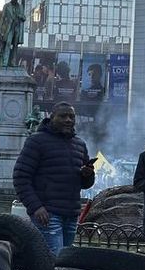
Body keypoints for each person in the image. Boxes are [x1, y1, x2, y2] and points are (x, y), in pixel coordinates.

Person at [13, 102, 96, 255]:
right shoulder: (36, 141)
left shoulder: (79, 144)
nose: (68, 120)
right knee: (54, 259)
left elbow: (85, 184)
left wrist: (88, 174)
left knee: (64, 260)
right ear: (51, 118)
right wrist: (36, 207)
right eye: (63, 116)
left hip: (71, 214)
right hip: (48, 214)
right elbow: (20, 177)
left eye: (71, 116)